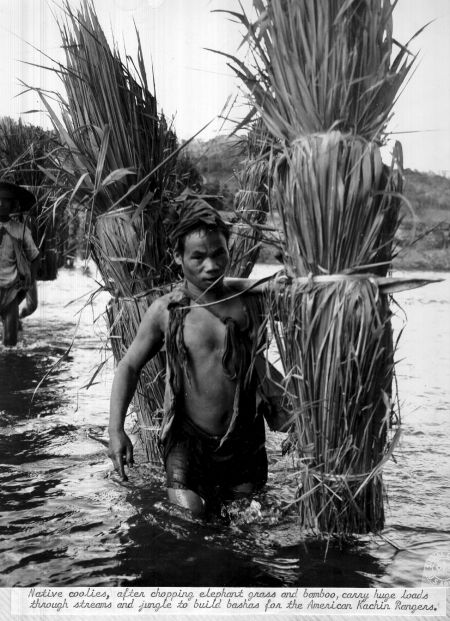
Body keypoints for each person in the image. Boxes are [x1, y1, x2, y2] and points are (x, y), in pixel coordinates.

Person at [108, 198, 291, 516]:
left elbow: (300, 311)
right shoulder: (166, 311)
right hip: (188, 438)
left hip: (244, 438)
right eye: (198, 257)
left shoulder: (250, 302)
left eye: (219, 253)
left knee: (243, 521)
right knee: (189, 515)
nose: (211, 266)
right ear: (177, 257)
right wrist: (115, 430)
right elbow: (129, 365)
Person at [0, 181, 39, 347]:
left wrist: (29, 281)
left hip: (11, 291)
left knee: (10, 342)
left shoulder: (21, 230)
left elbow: (35, 257)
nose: (1, 204)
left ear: (12, 204)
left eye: (5, 200)